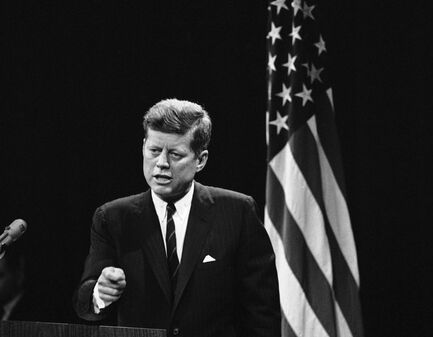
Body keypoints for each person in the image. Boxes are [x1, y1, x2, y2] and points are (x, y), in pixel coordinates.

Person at [73, 99, 280, 337]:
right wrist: (100, 293)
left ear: (200, 160)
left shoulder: (238, 212)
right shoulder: (113, 218)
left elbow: (262, 315)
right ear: (143, 147)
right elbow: (84, 304)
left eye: (174, 154)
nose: (161, 164)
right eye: (154, 151)